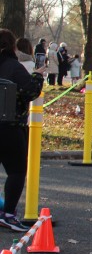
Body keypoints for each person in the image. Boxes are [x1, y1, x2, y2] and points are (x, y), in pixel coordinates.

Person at [0, 29, 44, 232]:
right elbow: (30, 91)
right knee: (16, 171)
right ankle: (8, 214)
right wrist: (38, 76)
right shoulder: (13, 67)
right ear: (12, 46)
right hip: (10, 125)